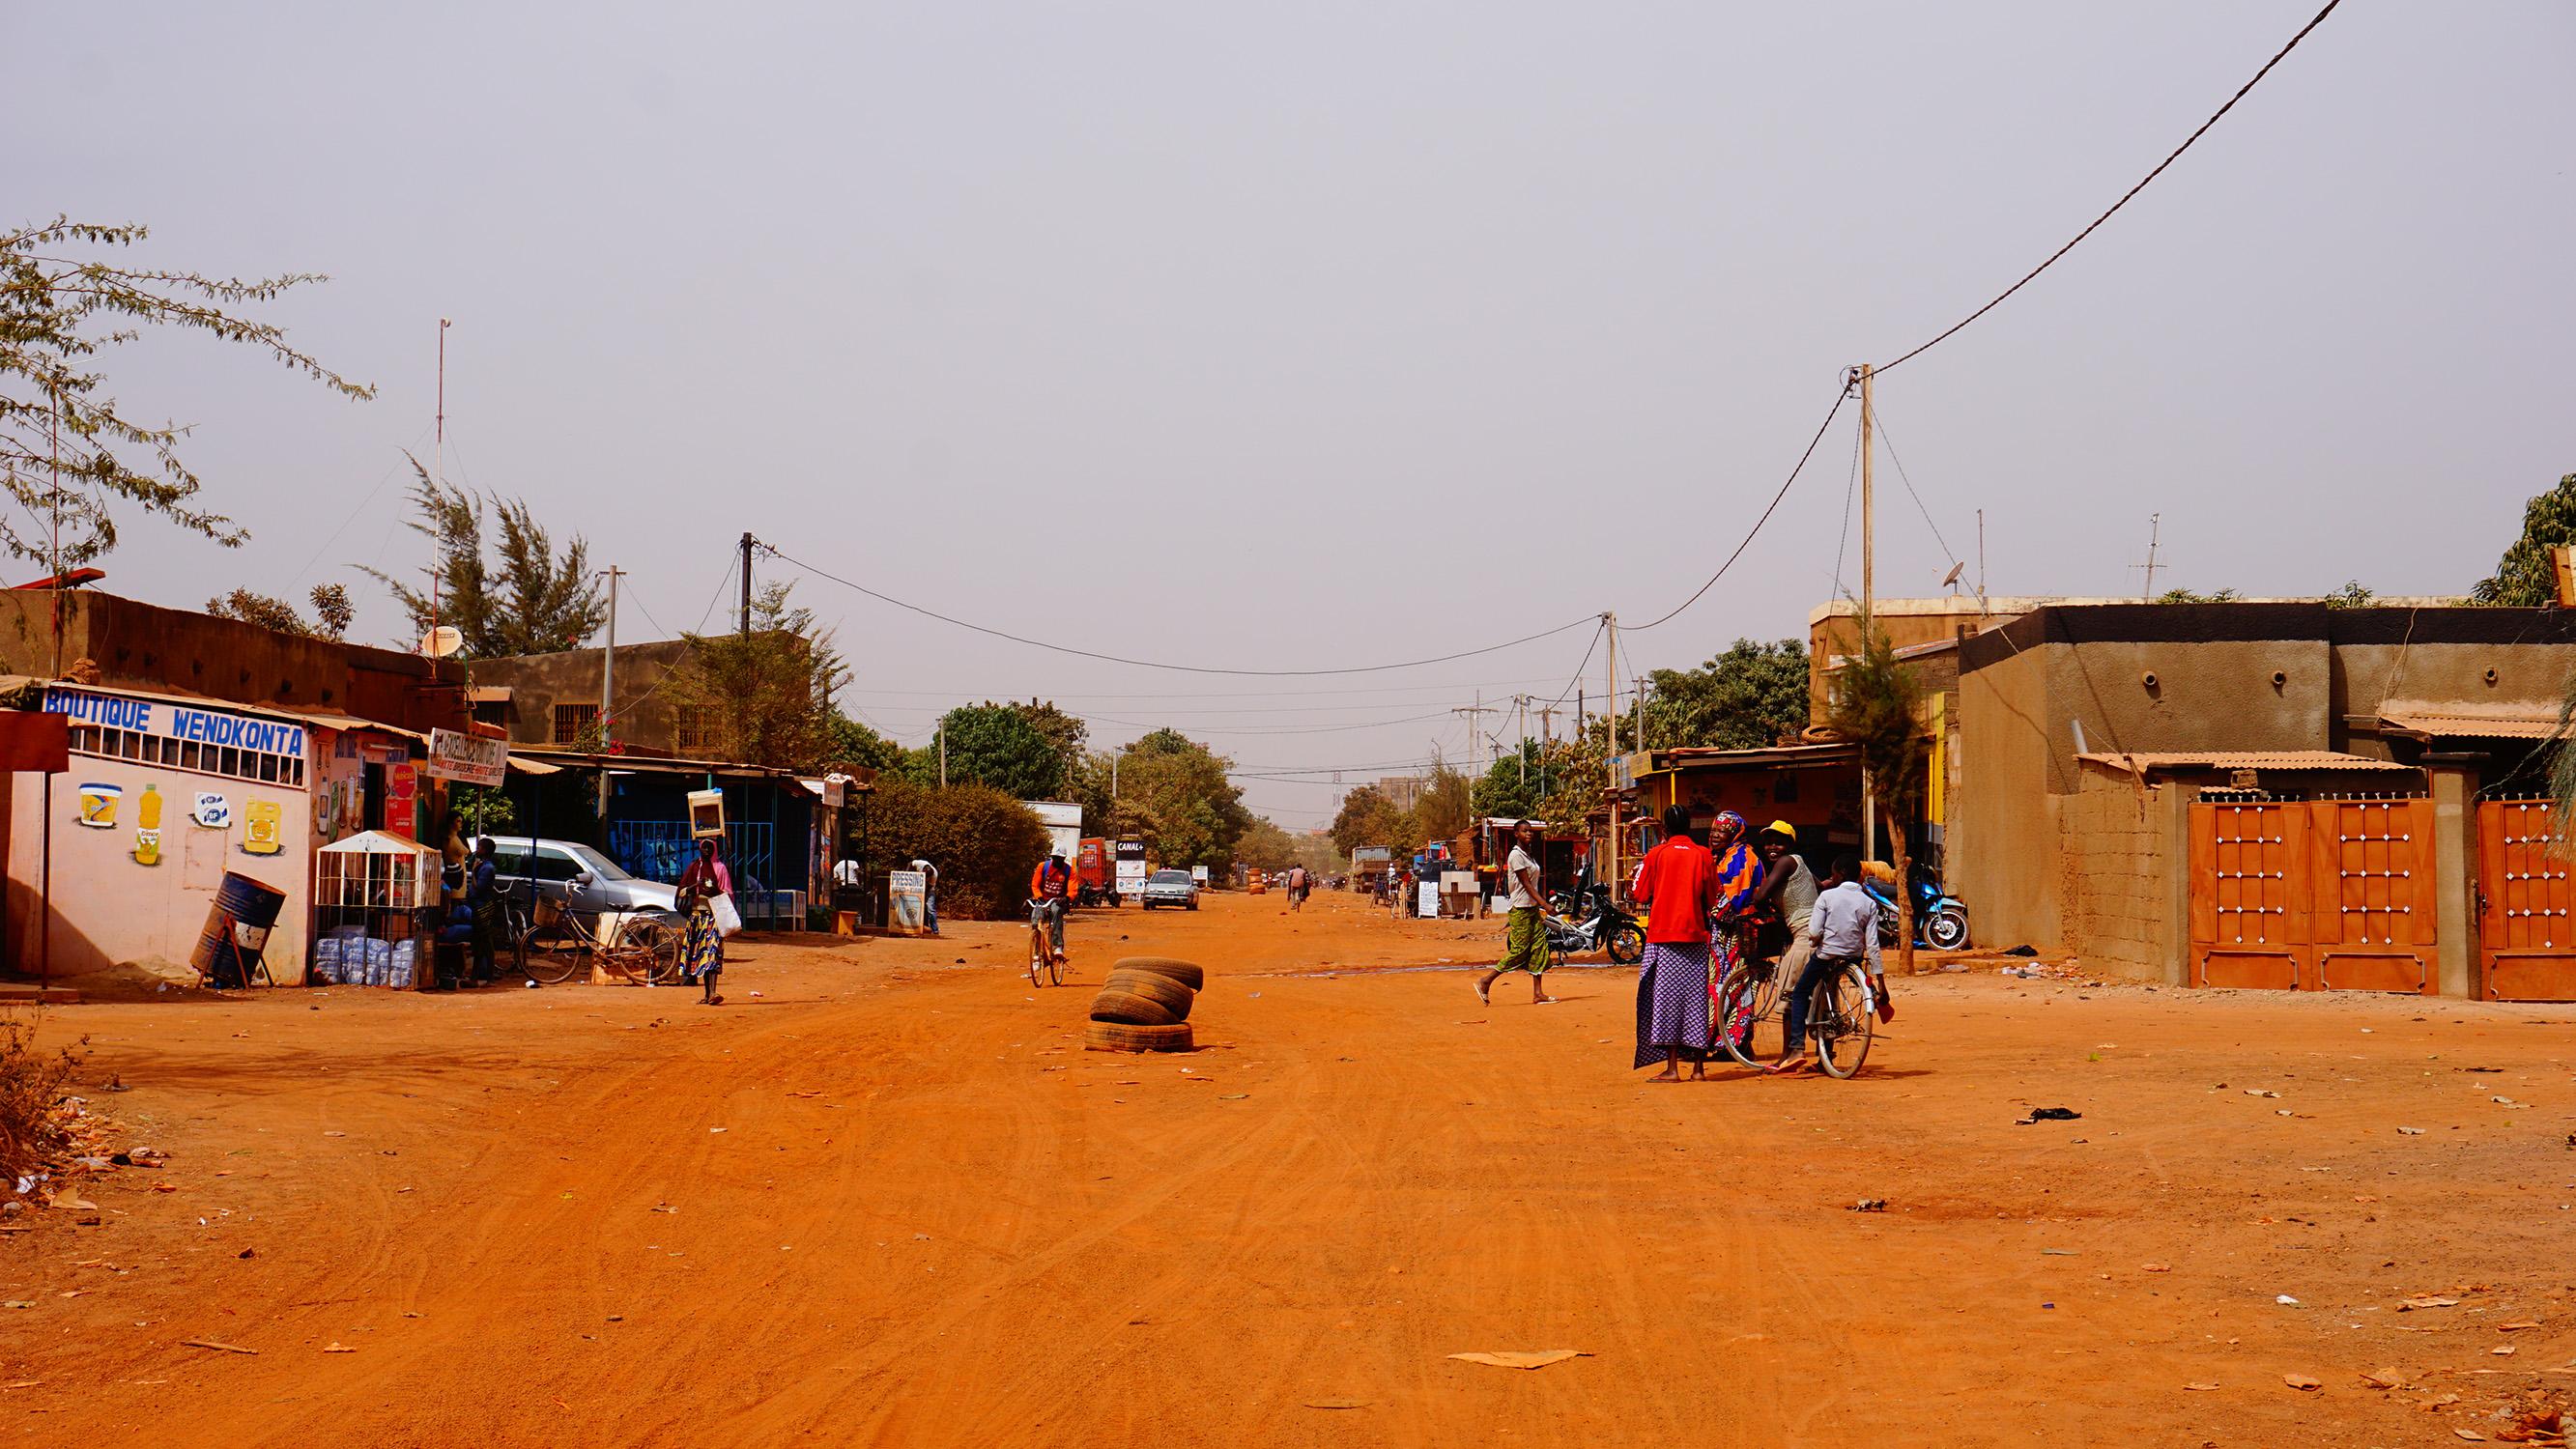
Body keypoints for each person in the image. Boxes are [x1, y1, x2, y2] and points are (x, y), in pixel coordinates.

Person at [1777, 854, 1894, 1074]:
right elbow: (1873, 944)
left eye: (1833, 874)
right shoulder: (1868, 903)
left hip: (1827, 955)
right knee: (1839, 986)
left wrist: (1816, 940)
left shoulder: (1827, 897)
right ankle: (1874, 993)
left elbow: (1813, 932)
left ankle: (1797, 1048)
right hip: (1853, 957)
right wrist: (1882, 982)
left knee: (1801, 992)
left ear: (1839, 875)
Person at [1631, 804, 1721, 1080]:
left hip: (1664, 936)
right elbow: (1713, 895)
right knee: (1695, 1001)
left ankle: (1672, 1068)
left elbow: (1640, 894)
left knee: (1666, 1001)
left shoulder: (1657, 854)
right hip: (1695, 936)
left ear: (1665, 829)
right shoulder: (1703, 855)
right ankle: (1698, 1069)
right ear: (1690, 826)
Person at [1748, 820, 1819, 1031]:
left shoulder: (1785, 862)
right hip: (1817, 928)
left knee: (1789, 993)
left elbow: (1760, 897)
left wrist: (1754, 896)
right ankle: (1825, 1054)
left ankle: (1789, 1053)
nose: (1772, 847)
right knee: (1818, 988)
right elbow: (1820, 886)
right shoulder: (1800, 863)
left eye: (1778, 843)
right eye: (1768, 843)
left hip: (1805, 931)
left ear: (1790, 845)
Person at [1703, 810, 1765, 1052]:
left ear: (1735, 834)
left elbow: (1732, 900)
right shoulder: (1723, 856)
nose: (1716, 836)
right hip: (1726, 933)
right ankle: (1733, 1042)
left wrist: (1705, 912)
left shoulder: (1741, 857)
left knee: (1730, 985)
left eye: (1722, 832)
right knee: (1732, 986)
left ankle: (1725, 1042)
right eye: (1713, 831)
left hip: (1736, 933)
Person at [1475, 823, 1555, 1006]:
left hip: (1532, 908)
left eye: (1530, 831)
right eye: (1524, 831)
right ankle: (1486, 981)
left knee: (1539, 948)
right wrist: (1545, 904)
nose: (1528, 834)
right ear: (1516, 834)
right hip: (1520, 909)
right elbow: (1526, 884)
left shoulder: (1528, 854)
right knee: (1519, 950)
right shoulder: (1516, 855)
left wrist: (1539, 904)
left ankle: (1538, 993)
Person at [678, 837, 732, 1006]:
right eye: (704, 848)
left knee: (712, 953)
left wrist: (714, 889)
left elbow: (728, 894)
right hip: (696, 917)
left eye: (710, 848)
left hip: (713, 917)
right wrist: (696, 885)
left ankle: (713, 992)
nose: (707, 851)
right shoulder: (694, 868)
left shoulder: (720, 868)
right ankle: (708, 993)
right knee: (698, 955)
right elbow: (680, 892)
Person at [465, 837, 503, 987]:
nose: (477, 850)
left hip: (483, 908)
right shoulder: (485, 866)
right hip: (479, 906)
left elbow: (478, 888)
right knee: (480, 944)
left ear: (485, 850)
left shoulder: (486, 868)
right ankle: (476, 978)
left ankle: (488, 978)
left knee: (485, 944)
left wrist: (474, 872)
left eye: (479, 848)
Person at [1028, 849, 1074, 962]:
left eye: (1059, 858)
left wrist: (1067, 898)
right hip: (1042, 899)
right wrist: (1038, 897)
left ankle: (1057, 947)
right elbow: (1035, 885)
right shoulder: (1042, 867)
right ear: (1052, 857)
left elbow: (1073, 888)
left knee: (1056, 911)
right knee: (1036, 921)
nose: (1057, 861)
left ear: (1063, 859)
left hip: (1057, 900)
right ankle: (1036, 954)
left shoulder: (1069, 870)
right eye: (1055, 858)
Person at [910, 856, 940, 935]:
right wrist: (906, 873)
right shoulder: (920, 863)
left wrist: (921, 895)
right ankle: (923, 927)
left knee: (930, 908)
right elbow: (910, 863)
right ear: (923, 869)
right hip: (917, 888)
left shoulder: (934, 875)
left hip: (929, 890)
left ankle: (935, 930)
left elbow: (929, 887)